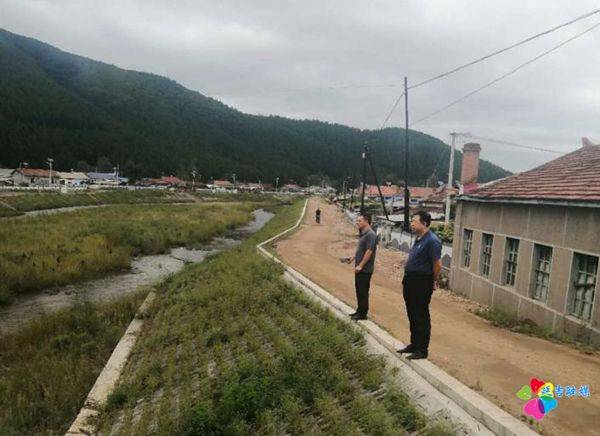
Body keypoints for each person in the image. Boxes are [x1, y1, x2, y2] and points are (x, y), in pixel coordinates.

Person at [398, 211, 442, 360]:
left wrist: (434, 281)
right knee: (412, 313)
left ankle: (422, 349)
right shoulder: (419, 239)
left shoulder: (432, 241)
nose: (411, 223)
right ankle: (414, 344)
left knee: (420, 315)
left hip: (422, 282)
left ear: (424, 223)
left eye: (414, 221)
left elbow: (437, 264)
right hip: (411, 281)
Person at [348, 214, 377, 320]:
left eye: (359, 221)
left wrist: (360, 265)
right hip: (360, 268)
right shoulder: (363, 234)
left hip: (365, 269)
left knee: (363, 291)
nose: (357, 222)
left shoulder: (371, 234)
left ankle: (363, 314)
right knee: (359, 290)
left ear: (366, 221)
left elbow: (369, 251)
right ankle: (359, 310)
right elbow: (361, 249)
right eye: (357, 220)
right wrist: (353, 257)